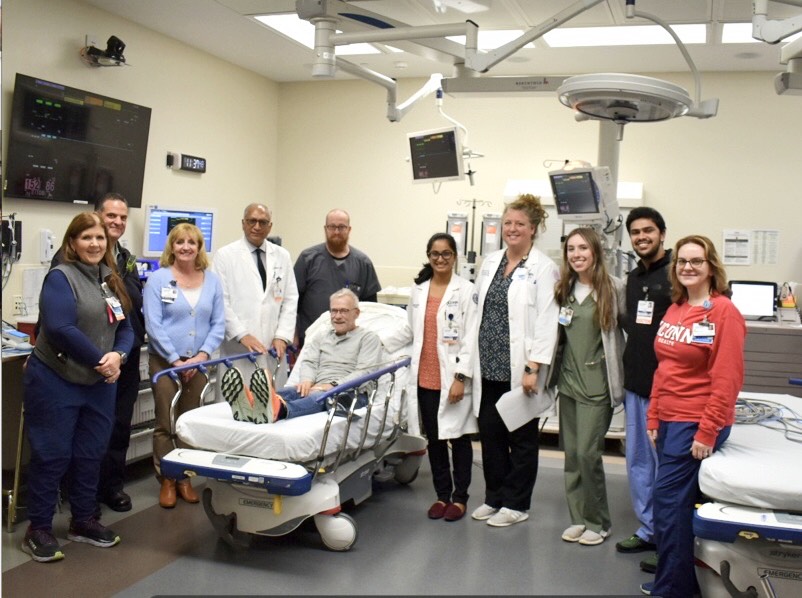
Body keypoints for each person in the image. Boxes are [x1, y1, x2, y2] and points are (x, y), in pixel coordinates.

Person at [22, 212, 133, 562]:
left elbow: (127, 327)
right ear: (72, 242)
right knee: (52, 455)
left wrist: (119, 355)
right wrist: (104, 361)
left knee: (90, 454)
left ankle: (83, 520)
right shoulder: (60, 277)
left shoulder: (109, 279)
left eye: (100, 238)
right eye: (87, 238)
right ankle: (38, 528)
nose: (95, 244)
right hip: (56, 379)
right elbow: (59, 328)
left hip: (98, 384)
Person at [640, 235, 746, 598]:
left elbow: (727, 378)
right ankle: (676, 581)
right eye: (682, 261)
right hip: (669, 418)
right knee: (673, 505)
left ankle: (673, 590)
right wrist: (653, 416)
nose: (687, 267)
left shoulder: (722, 312)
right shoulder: (677, 308)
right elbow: (663, 368)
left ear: (711, 266)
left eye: (696, 261)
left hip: (695, 421)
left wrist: (708, 429)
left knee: (668, 505)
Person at [47, 193, 146, 513]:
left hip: (121, 358)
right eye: (110, 216)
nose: (116, 222)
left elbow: (128, 313)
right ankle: (77, 498)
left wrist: (120, 355)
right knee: (80, 436)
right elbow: (57, 320)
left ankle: (110, 488)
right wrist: (100, 361)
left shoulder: (126, 260)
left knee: (117, 428)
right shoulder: (68, 264)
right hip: (82, 364)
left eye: (122, 217)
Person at [470, 194, 560, 527]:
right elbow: (478, 313)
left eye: (519, 224)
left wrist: (533, 366)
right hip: (488, 365)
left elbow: (547, 321)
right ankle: (494, 497)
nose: (512, 229)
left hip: (521, 368)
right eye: (508, 223)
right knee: (491, 435)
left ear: (533, 229)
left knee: (521, 438)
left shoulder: (544, 268)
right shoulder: (491, 263)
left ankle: (517, 504)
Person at [551, 227, 625, 546]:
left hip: (597, 387)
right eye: (571, 249)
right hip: (568, 383)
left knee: (588, 454)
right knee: (571, 455)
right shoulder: (563, 290)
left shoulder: (613, 289)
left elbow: (633, 334)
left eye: (583, 248)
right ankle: (578, 519)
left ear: (596, 251)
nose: (577, 254)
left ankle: (599, 521)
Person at [143, 223, 225, 508]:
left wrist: (201, 356)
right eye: (180, 242)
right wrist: (176, 360)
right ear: (172, 247)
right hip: (166, 362)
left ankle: (185, 477)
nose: (186, 247)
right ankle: (167, 478)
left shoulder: (212, 281)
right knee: (166, 421)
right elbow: (153, 325)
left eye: (192, 242)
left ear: (199, 247)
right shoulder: (158, 279)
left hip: (199, 364)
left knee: (190, 422)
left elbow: (218, 324)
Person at [399, 233, 477, 522]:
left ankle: (460, 498)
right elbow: (410, 331)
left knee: (458, 438)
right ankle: (442, 495)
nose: (440, 259)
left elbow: (471, 339)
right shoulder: (419, 291)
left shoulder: (467, 291)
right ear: (428, 256)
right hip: (426, 376)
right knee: (434, 439)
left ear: (454, 256)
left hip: (453, 377)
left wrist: (460, 377)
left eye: (446, 253)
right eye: (435, 254)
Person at [223, 289, 382, 423]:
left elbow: (364, 372)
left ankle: (278, 411)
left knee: (318, 397)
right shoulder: (321, 336)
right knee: (288, 392)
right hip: (317, 386)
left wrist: (333, 385)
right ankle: (250, 404)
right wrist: (306, 380)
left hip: (350, 394)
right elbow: (309, 362)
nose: (337, 316)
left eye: (344, 311)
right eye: (334, 310)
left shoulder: (368, 338)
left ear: (356, 313)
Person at [615, 208, 672, 570]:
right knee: (637, 462)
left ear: (662, 234)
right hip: (636, 383)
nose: (641, 237)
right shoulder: (634, 278)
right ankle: (649, 528)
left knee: (666, 466)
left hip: (667, 389)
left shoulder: (677, 274)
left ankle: (670, 539)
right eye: (635, 232)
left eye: (648, 231)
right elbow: (634, 325)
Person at [212, 203, 298, 387]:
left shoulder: (282, 255)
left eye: (263, 222)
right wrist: (242, 334)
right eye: (252, 221)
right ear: (243, 223)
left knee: (274, 407)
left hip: (273, 347)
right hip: (238, 349)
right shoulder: (225, 256)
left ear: (270, 226)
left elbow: (291, 299)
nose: (257, 226)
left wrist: (282, 335)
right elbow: (221, 302)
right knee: (237, 406)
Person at [293, 209, 381, 347]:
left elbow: (370, 308)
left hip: (350, 342)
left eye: (341, 227)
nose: (336, 232)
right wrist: (293, 335)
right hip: (311, 339)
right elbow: (293, 302)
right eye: (332, 227)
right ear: (325, 229)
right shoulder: (308, 259)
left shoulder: (363, 263)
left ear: (349, 229)